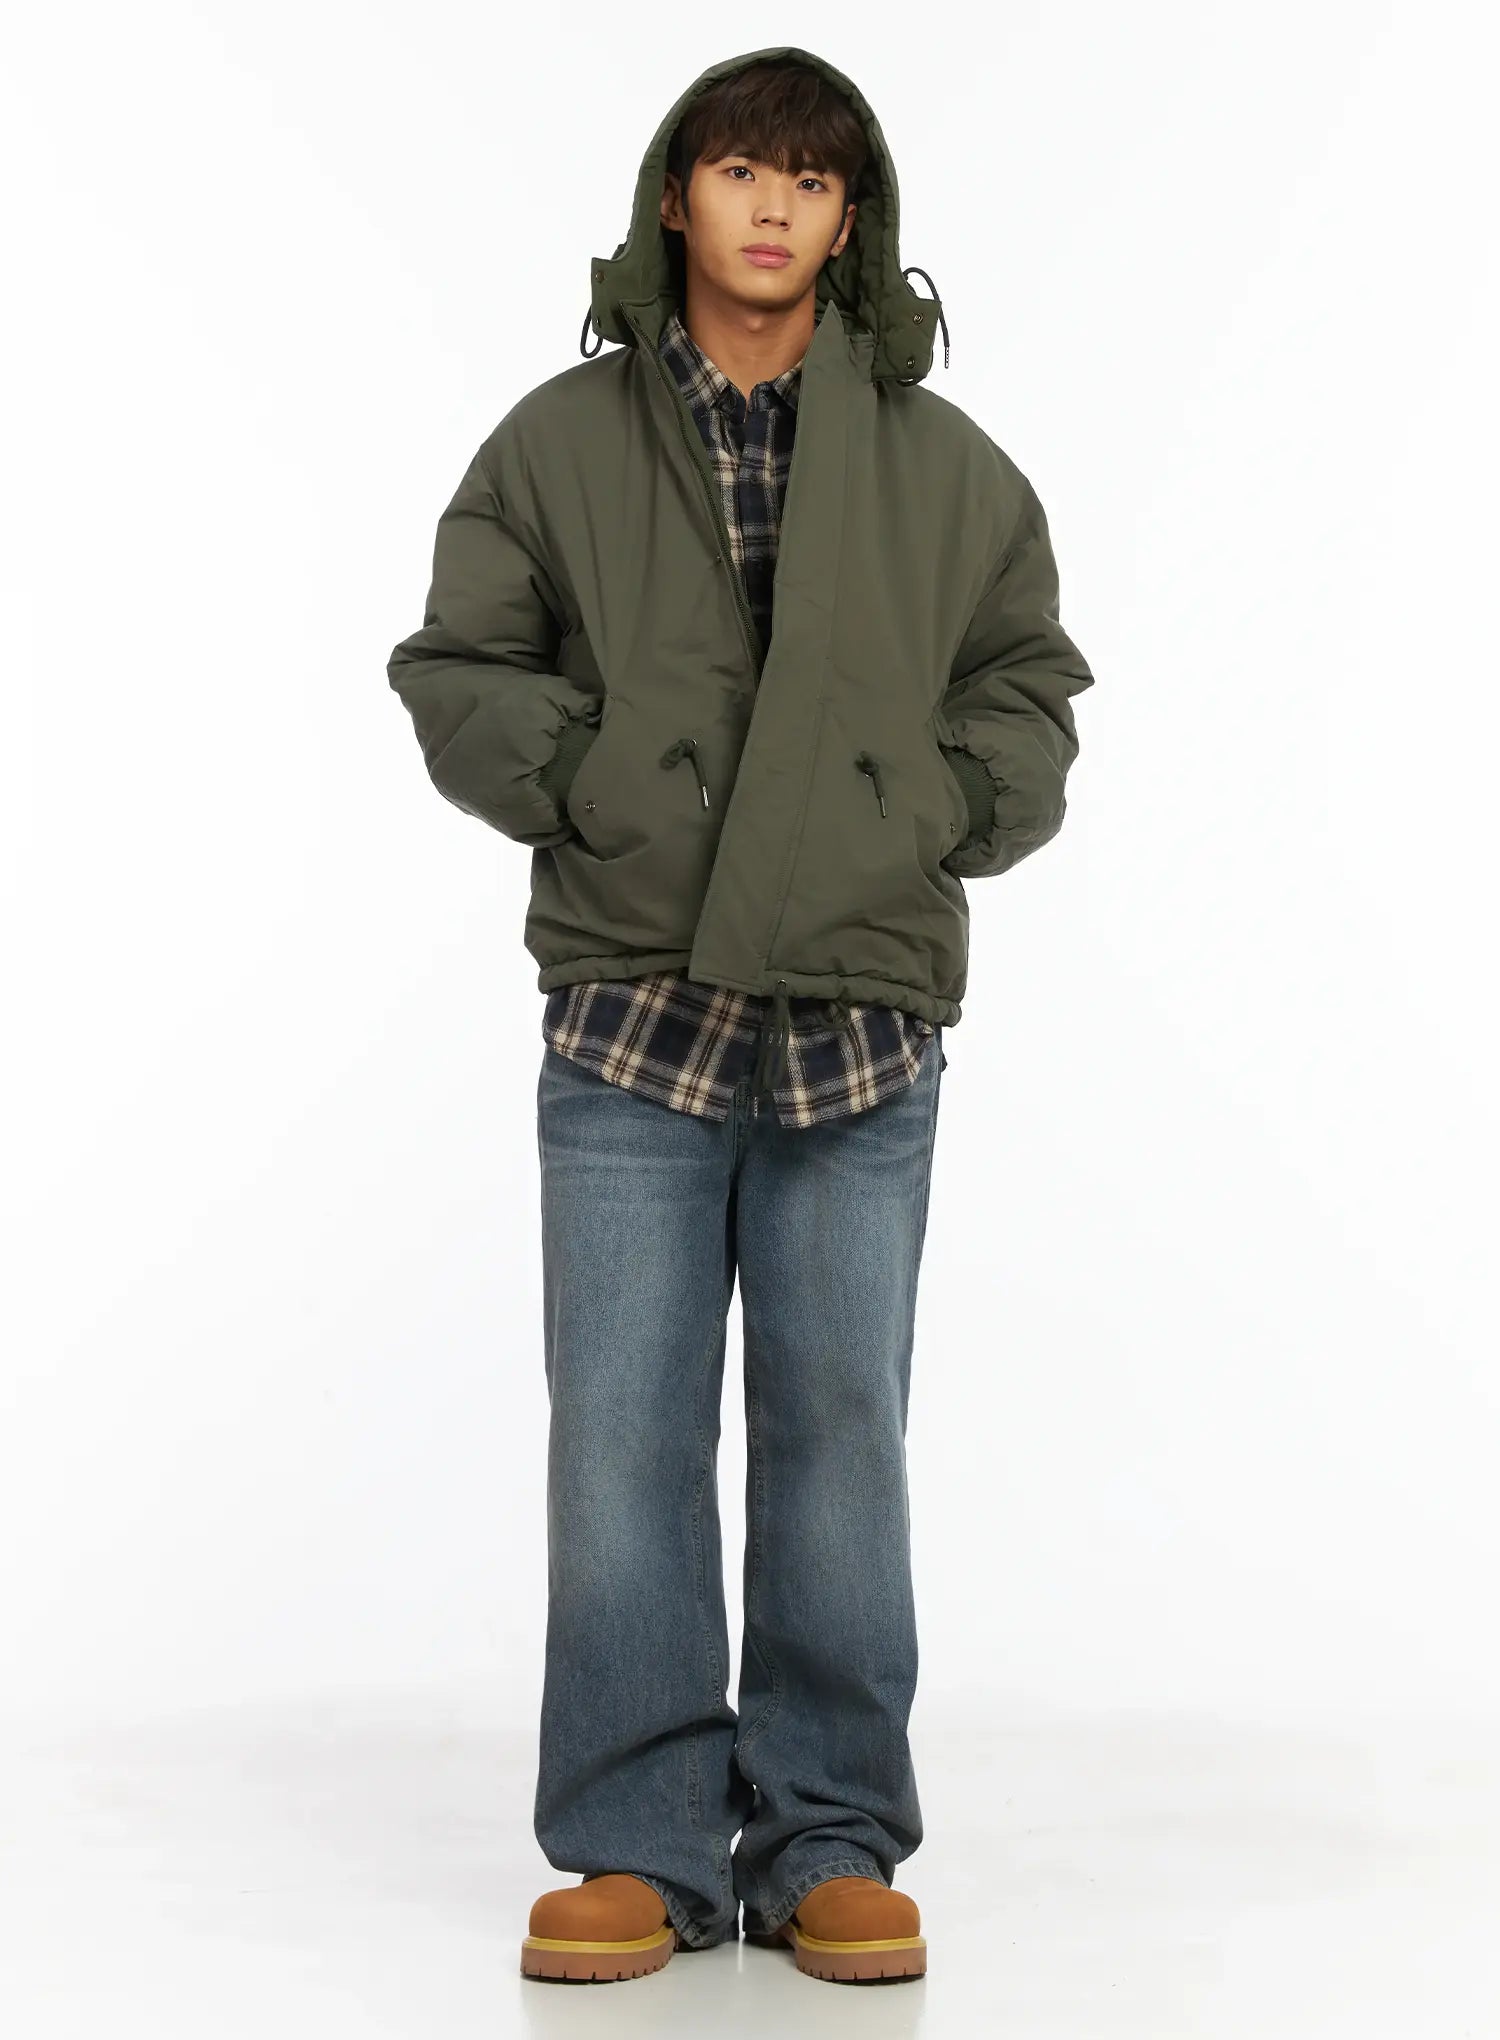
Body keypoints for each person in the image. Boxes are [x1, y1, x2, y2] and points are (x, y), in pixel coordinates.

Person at [387, 44, 1094, 1987]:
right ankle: (634, 1841)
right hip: (635, 1019)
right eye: (738, 170)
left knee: (841, 1434)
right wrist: (602, 781)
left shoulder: (949, 468)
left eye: (812, 178)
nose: (773, 206)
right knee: (619, 1439)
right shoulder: (558, 443)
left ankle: (830, 1834)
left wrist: (927, 810)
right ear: (674, 198)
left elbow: (1028, 688)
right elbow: (459, 666)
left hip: (859, 1027)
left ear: (853, 220)